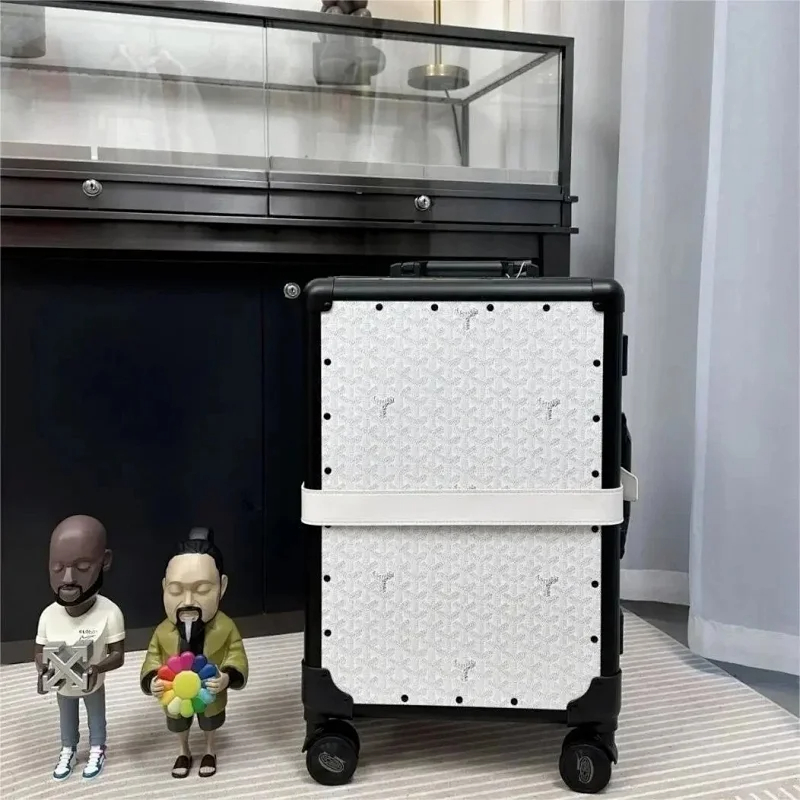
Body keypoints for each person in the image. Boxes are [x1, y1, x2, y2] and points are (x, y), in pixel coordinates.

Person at [140, 527, 248, 779]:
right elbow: (152, 658)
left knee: (211, 720)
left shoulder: (225, 627)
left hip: (210, 690)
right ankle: (183, 750)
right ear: (164, 588)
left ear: (222, 587)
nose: (188, 601)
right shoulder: (162, 631)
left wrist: (227, 677)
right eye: (176, 591)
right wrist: (152, 679)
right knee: (178, 721)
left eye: (202, 589)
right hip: (174, 694)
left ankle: (210, 749)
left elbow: (236, 654)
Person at [35, 515, 126, 781]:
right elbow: (39, 650)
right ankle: (68, 748)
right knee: (66, 717)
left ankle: (97, 747)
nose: (68, 578)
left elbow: (118, 655)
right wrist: (43, 669)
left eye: (83, 566)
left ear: (104, 561)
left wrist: (97, 668)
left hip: (91, 683)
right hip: (62, 684)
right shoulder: (48, 615)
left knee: (96, 715)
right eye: (57, 567)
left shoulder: (110, 613)